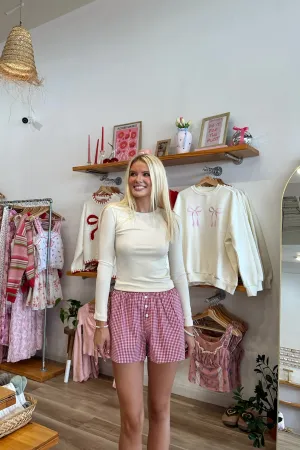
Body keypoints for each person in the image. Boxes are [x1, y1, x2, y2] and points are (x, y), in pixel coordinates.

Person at [94, 153, 195, 450]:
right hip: (124, 308)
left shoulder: (171, 219)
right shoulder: (114, 213)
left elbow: (179, 273)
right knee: (132, 417)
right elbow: (105, 266)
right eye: (134, 174)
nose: (138, 179)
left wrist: (188, 325)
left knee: (161, 410)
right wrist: (102, 322)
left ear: (157, 179)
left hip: (167, 309)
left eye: (146, 174)